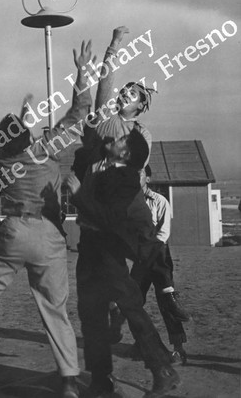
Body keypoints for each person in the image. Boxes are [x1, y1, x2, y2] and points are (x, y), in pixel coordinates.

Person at [0, 34, 114, 398]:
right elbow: (79, 112)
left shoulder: (1, 161)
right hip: (48, 235)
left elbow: (10, 145)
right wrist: (83, 72)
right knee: (55, 310)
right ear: (28, 136)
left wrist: (18, 124)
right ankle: (68, 379)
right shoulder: (46, 149)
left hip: (12, 231)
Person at [66, 130, 180, 398]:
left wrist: (79, 194)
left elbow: (109, 219)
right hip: (92, 250)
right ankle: (102, 381)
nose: (113, 140)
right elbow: (93, 128)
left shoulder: (126, 179)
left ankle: (162, 371)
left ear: (126, 154)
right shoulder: (106, 166)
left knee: (128, 309)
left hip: (106, 253)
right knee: (94, 316)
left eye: (119, 141)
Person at [126, 165, 190, 364]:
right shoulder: (128, 203)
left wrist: (149, 252)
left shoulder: (160, 201)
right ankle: (142, 344)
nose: (135, 177)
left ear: (148, 178)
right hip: (140, 259)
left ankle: (179, 350)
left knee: (167, 302)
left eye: (139, 173)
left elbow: (163, 233)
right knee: (133, 301)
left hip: (159, 256)